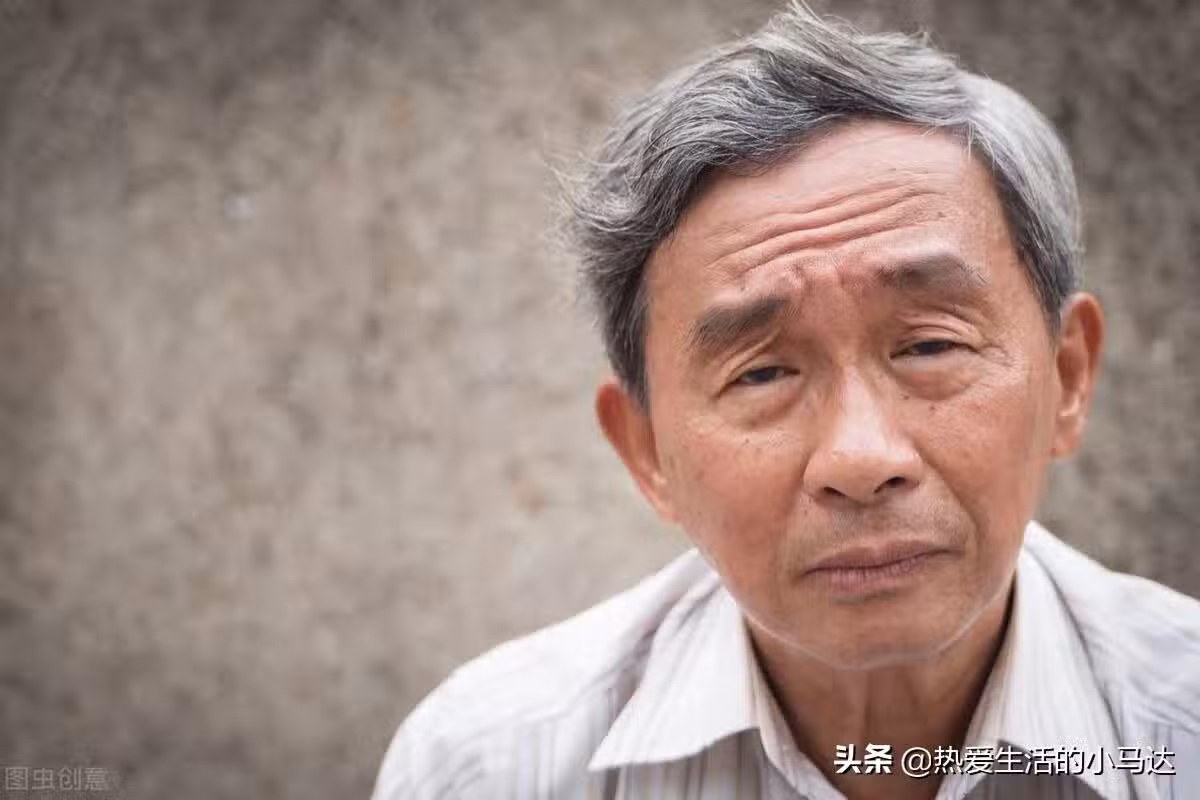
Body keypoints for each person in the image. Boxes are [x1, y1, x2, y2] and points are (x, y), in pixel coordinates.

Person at [371, 4, 1200, 799]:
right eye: (762, 374)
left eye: (929, 346)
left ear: (1067, 376)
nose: (861, 459)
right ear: (647, 452)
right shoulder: (490, 768)